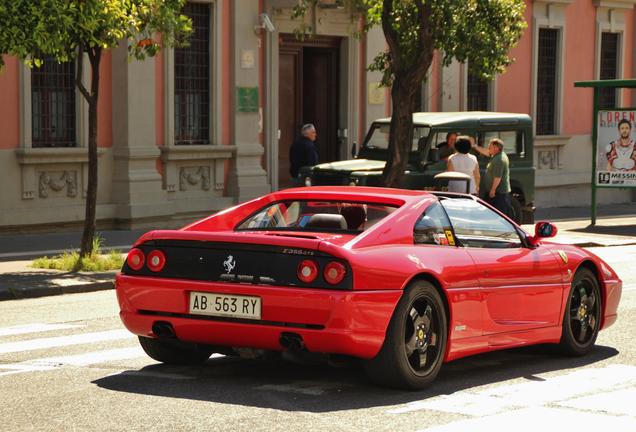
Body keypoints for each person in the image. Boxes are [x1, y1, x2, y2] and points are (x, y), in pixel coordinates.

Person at [480, 138, 515, 219]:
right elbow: (487, 152)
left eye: (490, 147)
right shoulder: (498, 155)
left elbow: (497, 177)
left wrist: (492, 190)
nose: (488, 148)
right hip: (498, 192)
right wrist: (474, 146)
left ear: (496, 148)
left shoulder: (499, 159)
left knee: (500, 215)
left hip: (499, 193)